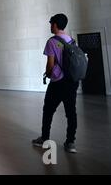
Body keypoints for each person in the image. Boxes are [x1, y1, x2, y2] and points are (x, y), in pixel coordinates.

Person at [32, 13, 79, 153]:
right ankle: (70, 143)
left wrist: (49, 75)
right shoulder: (72, 40)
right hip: (71, 82)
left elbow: (50, 65)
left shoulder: (52, 42)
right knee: (71, 113)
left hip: (58, 83)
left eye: (51, 23)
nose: (50, 26)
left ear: (55, 24)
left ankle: (44, 139)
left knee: (48, 111)